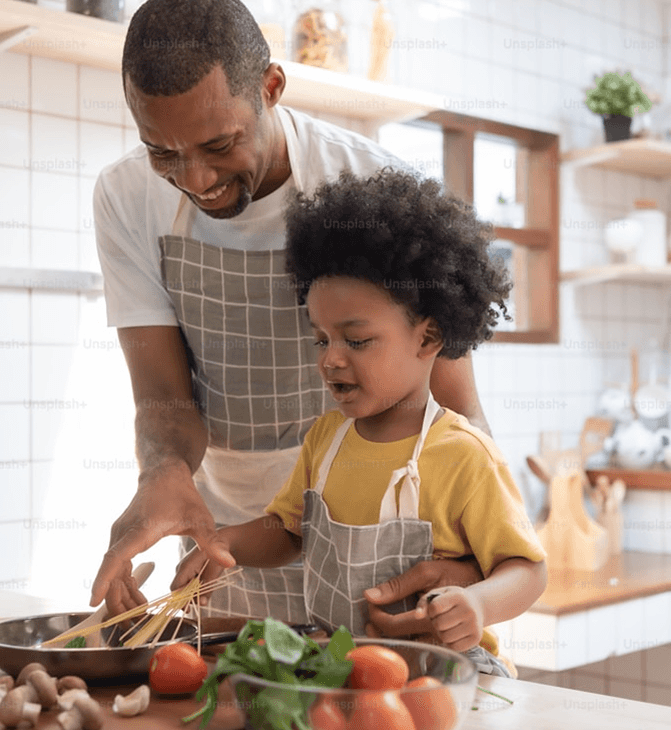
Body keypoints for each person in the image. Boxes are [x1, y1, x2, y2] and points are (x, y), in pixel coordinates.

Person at [91, 0, 492, 631]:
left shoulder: (371, 184)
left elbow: (457, 409)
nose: (194, 178)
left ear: (272, 88)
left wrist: (481, 568)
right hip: (228, 543)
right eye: (161, 152)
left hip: (388, 555)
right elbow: (164, 399)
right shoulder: (125, 196)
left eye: (219, 144)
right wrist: (162, 475)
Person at [172, 169, 548, 675]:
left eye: (357, 339)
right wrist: (227, 543)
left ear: (428, 338)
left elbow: (527, 569)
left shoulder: (463, 453)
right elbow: (287, 530)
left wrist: (479, 604)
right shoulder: (327, 440)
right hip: (342, 671)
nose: (331, 360)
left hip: (442, 676)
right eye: (321, 339)